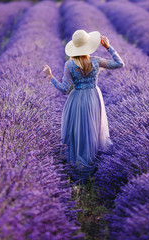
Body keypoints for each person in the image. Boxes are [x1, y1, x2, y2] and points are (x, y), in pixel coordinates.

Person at [43, 29, 124, 182]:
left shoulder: (69, 65)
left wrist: (50, 76)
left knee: (77, 131)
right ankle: (93, 166)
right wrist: (108, 47)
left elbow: (64, 89)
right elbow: (120, 63)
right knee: (93, 129)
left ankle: (77, 166)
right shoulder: (96, 61)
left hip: (77, 100)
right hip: (93, 98)